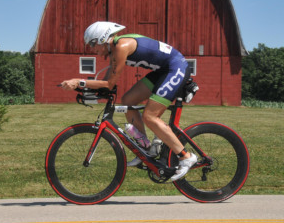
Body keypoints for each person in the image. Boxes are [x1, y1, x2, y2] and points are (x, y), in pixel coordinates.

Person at [60, 21, 197, 181]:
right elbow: (106, 86)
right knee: (128, 100)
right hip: (162, 71)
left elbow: (109, 84)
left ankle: (185, 156)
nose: (92, 49)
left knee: (150, 116)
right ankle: (145, 148)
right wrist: (84, 89)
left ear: (101, 39)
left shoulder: (121, 47)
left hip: (175, 67)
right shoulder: (114, 51)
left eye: (92, 44)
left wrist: (79, 81)